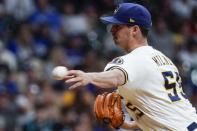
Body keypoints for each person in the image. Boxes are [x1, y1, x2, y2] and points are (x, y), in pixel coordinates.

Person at [64, 3, 197, 131]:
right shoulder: (163, 58)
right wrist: (129, 125)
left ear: (134, 30)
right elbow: (163, 110)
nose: (112, 30)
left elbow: (116, 77)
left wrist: (89, 76)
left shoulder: (132, 60)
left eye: (118, 26)